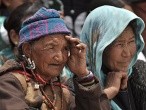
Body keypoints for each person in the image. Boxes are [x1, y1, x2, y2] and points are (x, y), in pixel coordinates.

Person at [0, 7, 110, 110]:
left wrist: (83, 74)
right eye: (51, 47)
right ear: (28, 49)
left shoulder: (63, 88)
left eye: (65, 48)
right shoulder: (9, 83)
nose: (60, 57)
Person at [81, 5, 146, 110]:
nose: (127, 53)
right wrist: (109, 92)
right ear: (98, 47)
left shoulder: (140, 72)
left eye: (131, 42)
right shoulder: (80, 84)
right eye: (119, 44)